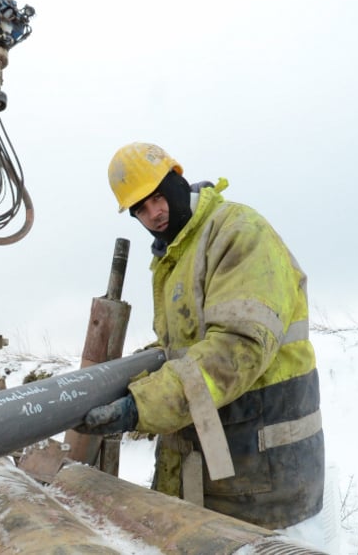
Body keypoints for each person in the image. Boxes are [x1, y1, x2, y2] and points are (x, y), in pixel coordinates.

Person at [77, 142, 325, 531]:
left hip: (264, 484)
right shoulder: (175, 254)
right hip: (211, 474)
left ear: (177, 177)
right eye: (140, 208)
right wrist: (124, 380)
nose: (153, 213)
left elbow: (236, 349)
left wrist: (140, 406)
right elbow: (182, 349)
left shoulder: (238, 232)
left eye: (157, 197)